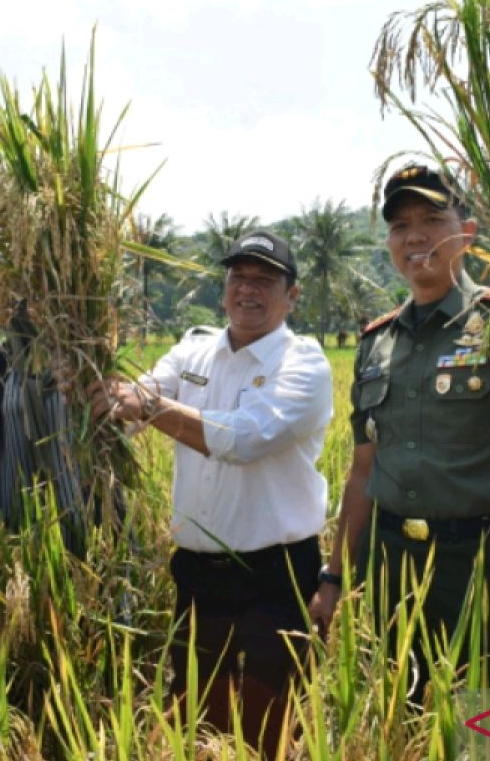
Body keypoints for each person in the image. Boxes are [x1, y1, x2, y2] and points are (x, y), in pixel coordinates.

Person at [308, 164, 490, 700]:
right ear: (390, 242)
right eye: (399, 225)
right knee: (410, 720)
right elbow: (364, 470)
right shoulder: (377, 344)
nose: (415, 235)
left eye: (431, 218)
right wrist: (333, 579)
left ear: (466, 233)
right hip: (396, 567)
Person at [88, 230, 332, 758]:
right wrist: (96, 388)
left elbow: (243, 438)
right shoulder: (192, 349)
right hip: (198, 572)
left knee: (271, 719)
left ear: (292, 296)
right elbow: (133, 409)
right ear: (223, 290)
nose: (248, 290)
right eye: (238, 278)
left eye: (265, 280)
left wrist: (146, 408)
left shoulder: (304, 364)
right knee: (200, 710)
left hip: (277, 572)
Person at [0, 267, 89, 554]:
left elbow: (123, 424)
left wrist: (80, 381)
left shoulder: (90, 358)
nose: (29, 306)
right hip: (14, 526)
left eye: (41, 294)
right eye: (19, 297)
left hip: (89, 519)